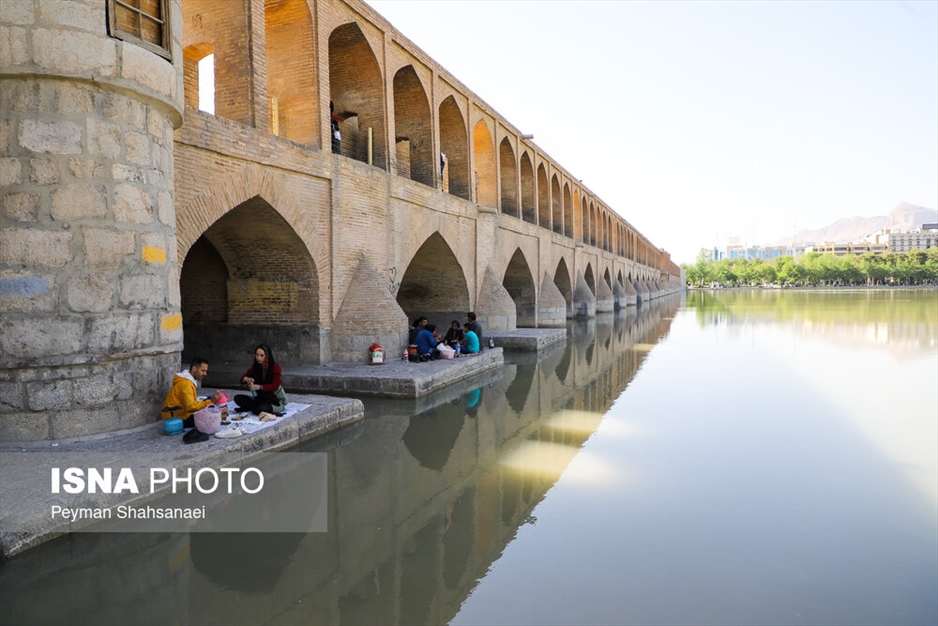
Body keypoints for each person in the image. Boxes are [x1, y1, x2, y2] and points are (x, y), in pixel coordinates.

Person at [162, 357, 223, 428]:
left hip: (181, 413)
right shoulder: (186, 384)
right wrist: (211, 401)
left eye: (206, 371)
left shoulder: (188, 381)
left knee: (208, 400)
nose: (205, 374)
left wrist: (210, 401)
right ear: (194, 369)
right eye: (203, 371)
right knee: (210, 418)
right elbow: (190, 407)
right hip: (177, 418)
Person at [234, 344, 288, 415]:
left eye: (262, 355)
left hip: (274, 399)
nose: (258, 358)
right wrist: (246, 379)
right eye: (257, 355)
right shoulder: (256, 366)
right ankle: (255, 407)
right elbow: (242, 380)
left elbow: (275, 385)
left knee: (260, 408)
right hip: (260, 398)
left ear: (267, 356)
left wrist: (259, 387)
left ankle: (255, 408)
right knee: (237, 398)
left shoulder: (275, 367)